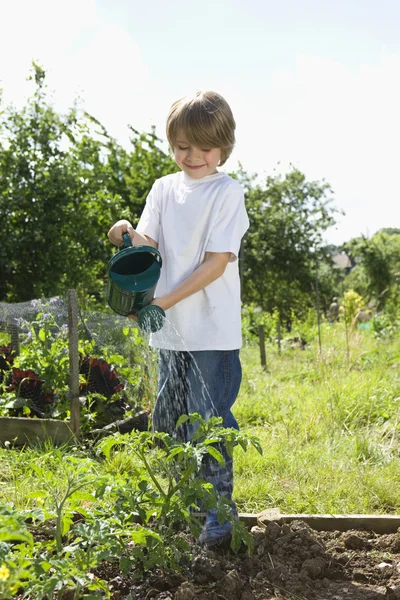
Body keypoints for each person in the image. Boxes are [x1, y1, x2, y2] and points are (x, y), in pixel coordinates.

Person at [107, 90, 249, 547]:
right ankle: (187, 505)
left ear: (224, 147)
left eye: (204, 147)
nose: (193, 156)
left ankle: (218, 515)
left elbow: (216, 263)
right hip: (168, 331)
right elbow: (148, 241)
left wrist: (163, 303)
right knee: (169, 420)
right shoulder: (165, 188)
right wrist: (125, 233)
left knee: (208, 421)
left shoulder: (227, 193)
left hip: (210, 330)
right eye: (183, 146)